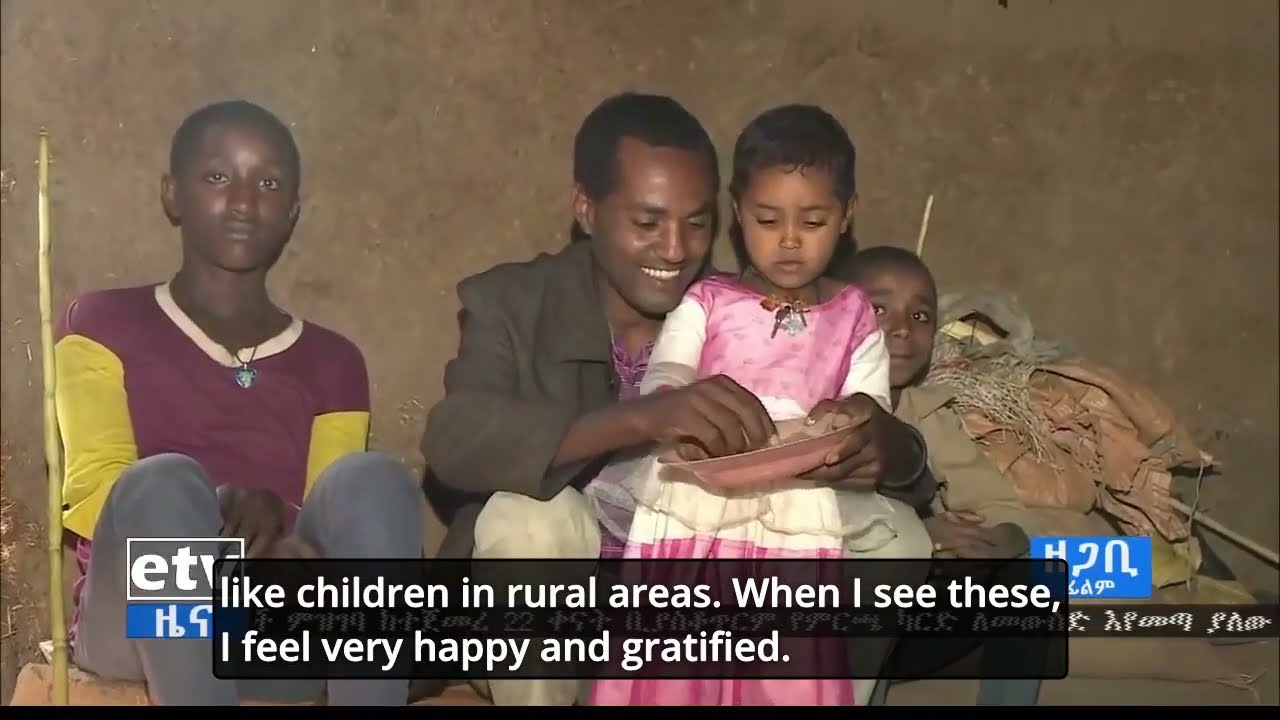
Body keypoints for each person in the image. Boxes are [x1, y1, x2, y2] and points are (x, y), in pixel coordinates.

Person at [421, 93, 936, 706]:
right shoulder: (515, 304)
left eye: (696, 223)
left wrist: (887, 443)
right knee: (529, 518)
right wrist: (642, 415)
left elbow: (893, 461)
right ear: (586, 208)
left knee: (899, 537)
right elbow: (454, 439)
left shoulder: (741, 302)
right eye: (647, 222)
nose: (674, 250)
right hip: (563, 626)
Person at [56, 99, 424, 706]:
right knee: (163, 482)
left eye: (269, 183)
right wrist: (217, 514)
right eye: (218, 176)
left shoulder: (334, 362)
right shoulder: (101, 323)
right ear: (173, 193)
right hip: (144, 628)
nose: (245, 202)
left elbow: (318, 524)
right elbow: (98, 494)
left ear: (292, 213)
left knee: (373, 479)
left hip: (278, 625)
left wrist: (278, 524)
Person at [585, 104, 933, 707]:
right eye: (769, 219)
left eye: (815, 220)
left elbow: (869, 404)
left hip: (798, 512)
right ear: (738, 212)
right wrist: (675, 404)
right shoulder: (708, 300)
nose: (791, 241)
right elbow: (668, 374)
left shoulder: (855, 319)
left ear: (848, 217)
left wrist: (848, 419)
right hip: (698, 497)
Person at [841, 245, 1035, 558]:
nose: (903, 329)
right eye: (879, 309)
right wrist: (922, 533)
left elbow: (997, 504)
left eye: (919, 316)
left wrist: (1003, 538)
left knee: (1107, 573)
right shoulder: (814, 406)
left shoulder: (929, 414)